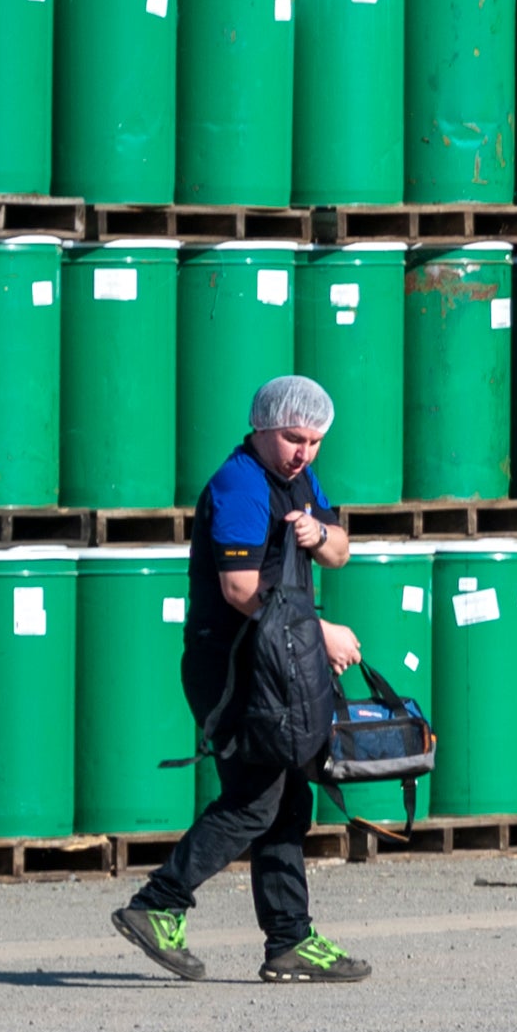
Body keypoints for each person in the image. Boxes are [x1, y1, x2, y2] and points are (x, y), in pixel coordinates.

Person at [107, 375, 375, 983]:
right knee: (256, 799)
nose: (303, 451)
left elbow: (341, 552)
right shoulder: (241, 485)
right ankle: (158, 905)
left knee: (286, 799)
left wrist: (320, 533)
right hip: (231, 669)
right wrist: (318, 635)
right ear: (260, 427)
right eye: (292, 438)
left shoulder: (298, 479)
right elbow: (240, 589)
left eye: (313, 441)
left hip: (276, 665)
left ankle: (289, 941)